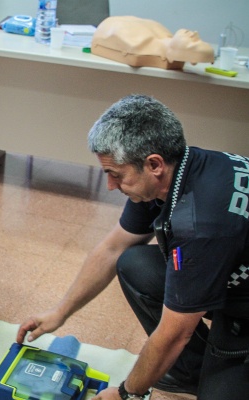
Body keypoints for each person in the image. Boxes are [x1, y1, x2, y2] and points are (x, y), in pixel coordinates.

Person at [16, 94, 249, 399]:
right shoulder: (175, 172)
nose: (111, 186)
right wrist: (60, 312)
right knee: (133, 263)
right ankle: (190, 373)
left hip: (242, 306)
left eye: (115, 174)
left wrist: (127, 393)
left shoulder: (200, 224)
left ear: (153, 164)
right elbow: (112, 249)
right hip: (229, 274)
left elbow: (175, 332)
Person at [91, 16, 214, 69]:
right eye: (199, 39)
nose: (194, 34)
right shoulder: (164, 32)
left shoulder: (137, 45)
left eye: (194, 43)